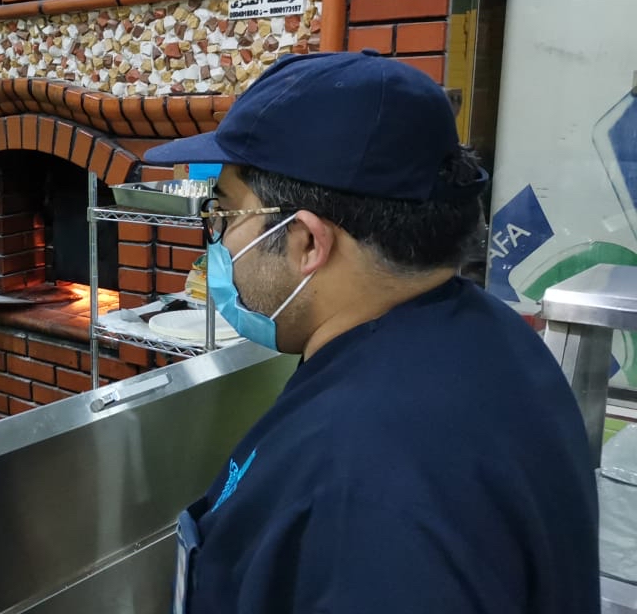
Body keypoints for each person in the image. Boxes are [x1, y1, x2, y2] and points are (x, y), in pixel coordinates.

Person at [144, 51, 599, 613]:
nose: (215, 242)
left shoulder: (371, 489)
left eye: (223, 216)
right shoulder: (490, 335)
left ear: (306, 242)